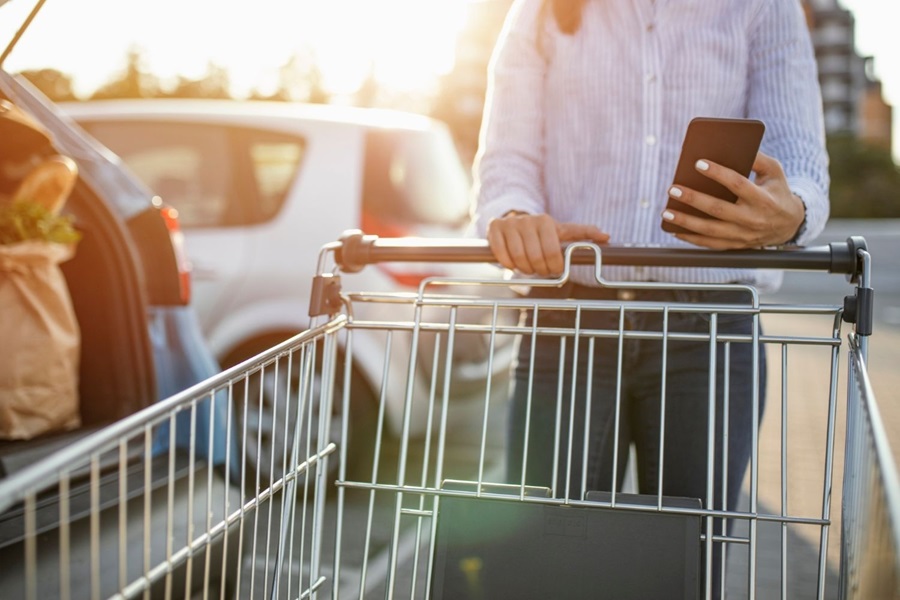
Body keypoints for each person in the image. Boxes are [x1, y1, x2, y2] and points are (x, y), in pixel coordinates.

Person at [471, 0, 829, 595]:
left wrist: (791, 214)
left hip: (708, 330)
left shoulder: (764, 6)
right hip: (571, 320)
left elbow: (799, 166)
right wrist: (512, 213)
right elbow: (508, 159)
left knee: (684, 573)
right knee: (544, 570)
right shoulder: (540, 10)